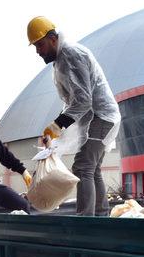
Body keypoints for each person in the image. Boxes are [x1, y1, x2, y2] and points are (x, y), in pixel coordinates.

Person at [27, 16, 121, 216]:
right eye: (35, 47)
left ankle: (86, 219)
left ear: (53, 38)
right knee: (92, 168)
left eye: (40, 45)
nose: (38, 51)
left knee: (83, 166)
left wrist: (57, 125)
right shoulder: (61, 60)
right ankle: (101, 216)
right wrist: (55, 127)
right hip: (98, 117)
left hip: (101, 116)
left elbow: (83, 100)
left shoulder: (70, 55)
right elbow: (72, 102)